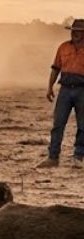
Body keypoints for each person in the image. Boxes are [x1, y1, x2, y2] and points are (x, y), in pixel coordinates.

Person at [37, 18, 84, 168]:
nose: (75, 34)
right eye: (73, 31)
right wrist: (50, 87)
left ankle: (78, 157)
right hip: (64, 89)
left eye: (78, 32)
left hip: (82, 89)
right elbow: (55, 68)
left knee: (83, 125)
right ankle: (53, 157)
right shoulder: (63, 47)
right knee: (58, 124)